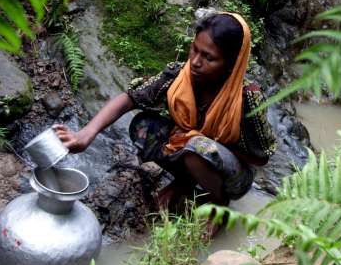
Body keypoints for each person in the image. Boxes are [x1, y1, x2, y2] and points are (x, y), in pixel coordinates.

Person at [52, 12, 276, 236]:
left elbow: (261, 156)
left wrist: (209, 139)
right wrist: (86, 134)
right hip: (192, 153)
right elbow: (130, 98)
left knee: (197, 147)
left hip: (232, 177)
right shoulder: (180, 76)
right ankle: (185, 183)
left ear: (230, 64)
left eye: (208, 58)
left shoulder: (246, 98)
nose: (196, 62)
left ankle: (219, 205)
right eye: (194, 50)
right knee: (143, 127)